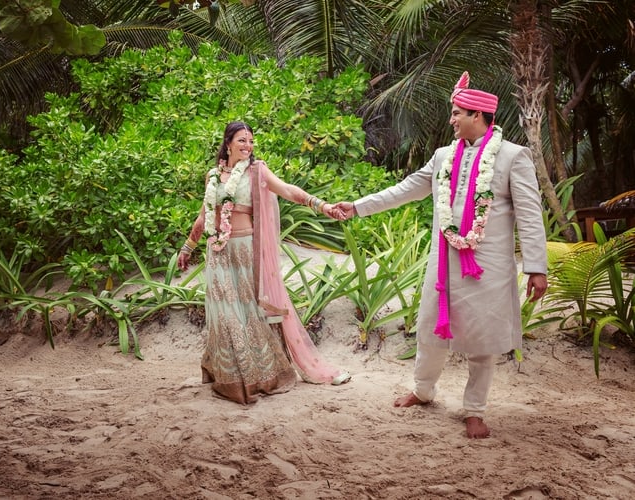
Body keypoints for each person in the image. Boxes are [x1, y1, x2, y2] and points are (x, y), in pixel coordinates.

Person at [334, 72, 548, 438]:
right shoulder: (441, 157)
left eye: (457, 113)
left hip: (489, 267)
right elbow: (405, 190)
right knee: (431, 330)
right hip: (444, 263)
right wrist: (357, 207)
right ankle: (423, 390)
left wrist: (536, 268)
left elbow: (530, 214)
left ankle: (475, 410)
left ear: (478, 116)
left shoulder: (513, 157)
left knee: (483, 341)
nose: (451, 120)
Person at [177, 121, 351, 405]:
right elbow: (204, 214)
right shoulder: (212, 176)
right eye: (242, 141)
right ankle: (229, 377)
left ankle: (259, 376)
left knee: (246, 313)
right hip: (218, 254)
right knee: (224, 314)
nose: (248, 146)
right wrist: (188, 247)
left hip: (245, 251)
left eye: (251, 141)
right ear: (228, 142)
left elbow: (289, 191)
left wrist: (323, 206)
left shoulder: (257, 171)